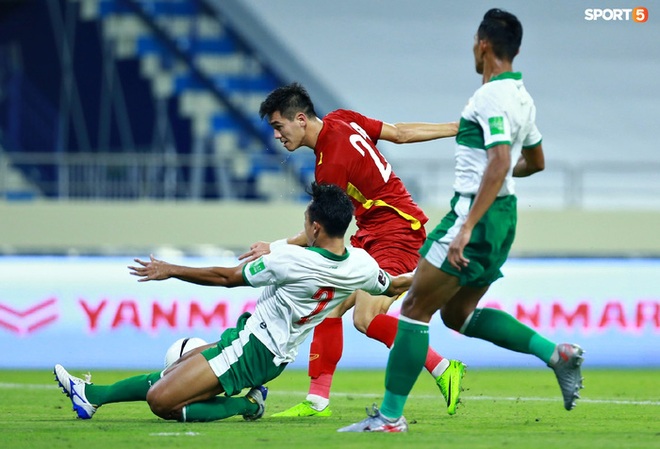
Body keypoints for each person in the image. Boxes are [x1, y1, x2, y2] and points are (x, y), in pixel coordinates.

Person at [339, 9, 585, 433]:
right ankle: (555, 354)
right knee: (459, 315)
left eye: (474, 41)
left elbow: (502, 160)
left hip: (474, 214)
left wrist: (468, 223)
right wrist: (498, 182)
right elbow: (536, 162)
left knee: (414, 308)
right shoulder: (522, 98)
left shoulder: (488, 98)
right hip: (504, 217)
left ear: (483, 45)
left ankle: (391, 419)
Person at [53, 182, 412, 423]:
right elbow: (392, 283)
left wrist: (170, 269)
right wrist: (439, 276)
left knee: (161, 401)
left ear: (316, 227)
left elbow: (227, 278)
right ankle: (91, 396)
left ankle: (249, 403)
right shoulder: (361, 265)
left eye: (306, 219)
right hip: (262, 343)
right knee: (172, 371)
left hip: (255, 348)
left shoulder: (291, 260)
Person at [241, 82, 465, 417]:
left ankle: (443, 367)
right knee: (329, 306)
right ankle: (317, 401)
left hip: (396, 232)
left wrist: (272, 248)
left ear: (300, 119)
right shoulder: (343, 119)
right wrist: (456, 128)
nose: (276, 135)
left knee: (367, 317)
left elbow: (321, 229)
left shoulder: (328, 165)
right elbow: (400, 133)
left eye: (278, 126)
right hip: (373, 230)